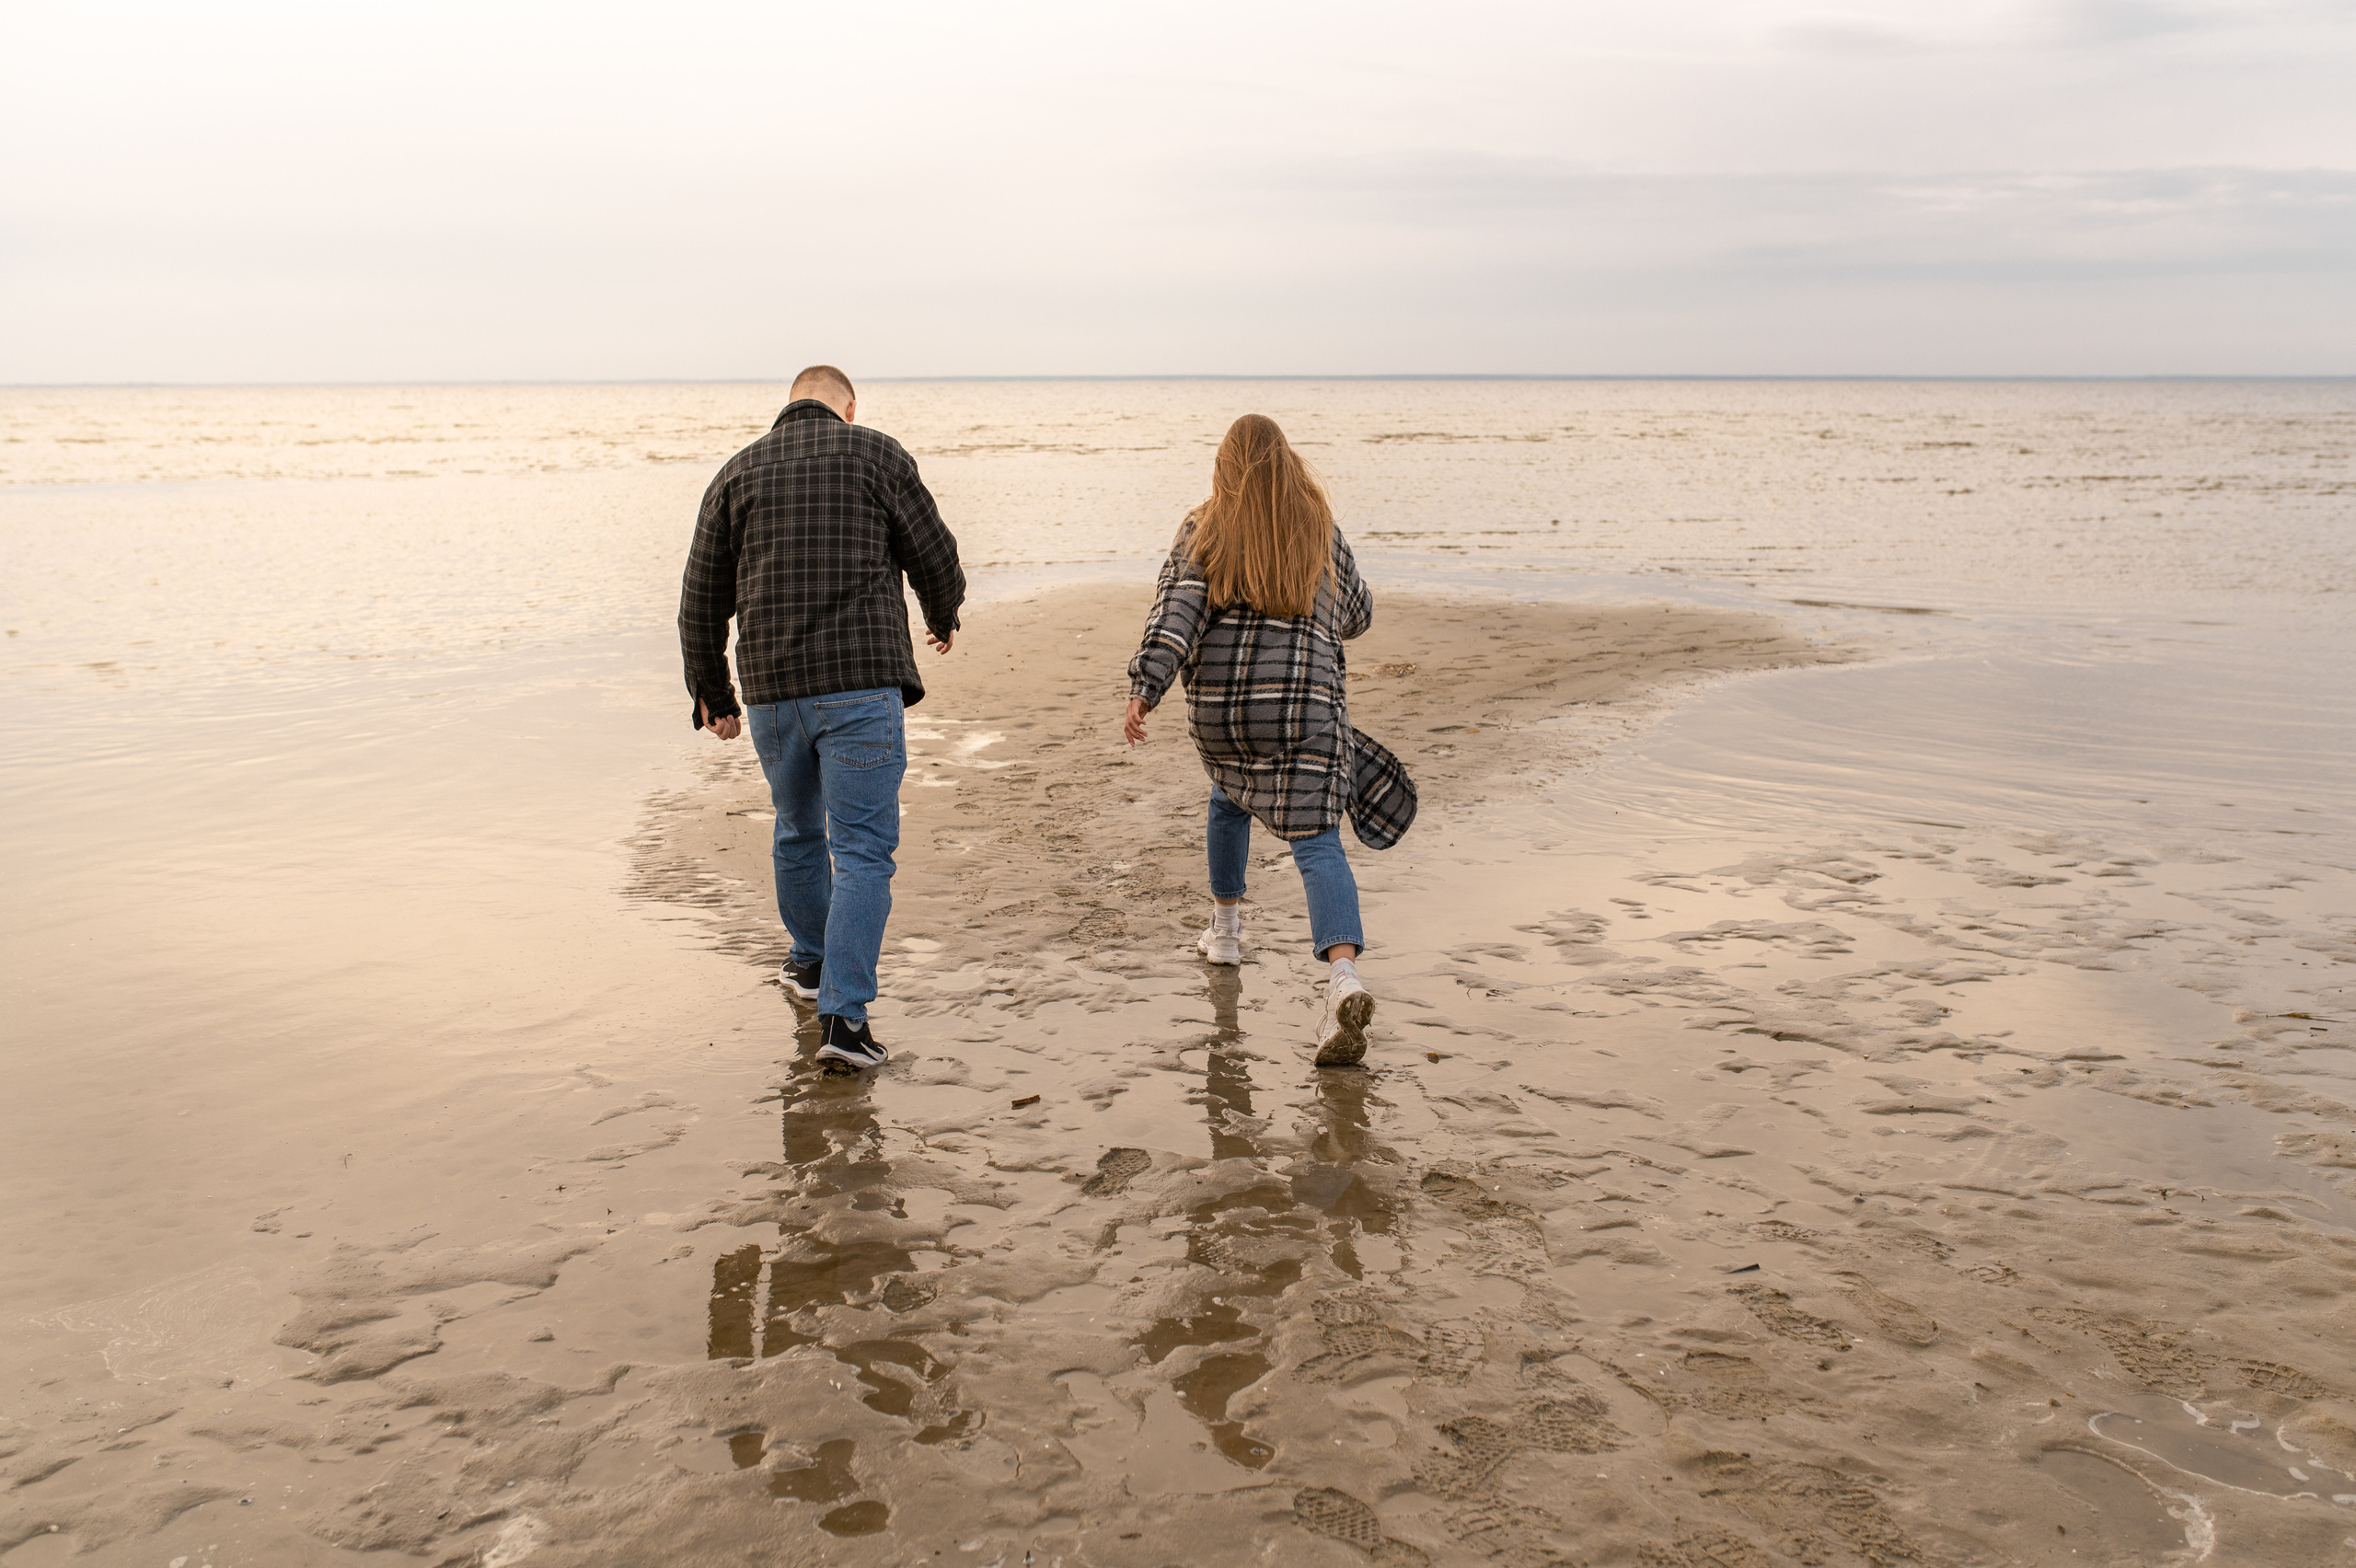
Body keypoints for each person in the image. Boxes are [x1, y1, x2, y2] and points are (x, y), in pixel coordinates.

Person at [678, 365, 964, 1071]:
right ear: (849, 407)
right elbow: (934, 553)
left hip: (774, 693)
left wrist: (713, 693)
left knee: (797, 830)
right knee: (862, 851)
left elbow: (700, 598)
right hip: (860, 685)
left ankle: (809, 965)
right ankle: (844, 1019)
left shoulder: (736, 473)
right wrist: (942, 614)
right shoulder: (879, 454)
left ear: (789, 405)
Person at [1124, 414, 1415, 1066]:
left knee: (1229, 796)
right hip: (1306, 711)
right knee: (1317, 839)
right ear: (1289, 465)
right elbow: (1358, 615)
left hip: (1228, 717)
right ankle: (1343, 977)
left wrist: (1146, 687)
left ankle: (1226, 932)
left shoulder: (1205, 528)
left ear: (1224, 468)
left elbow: (1177, 614)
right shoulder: (1319, 530)